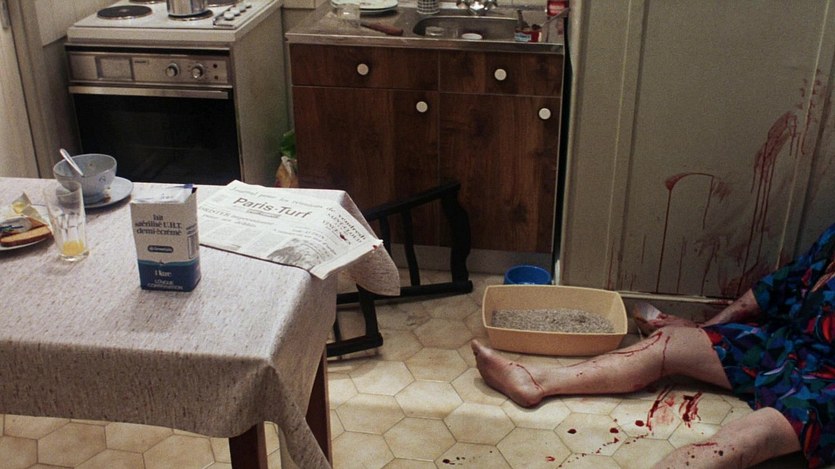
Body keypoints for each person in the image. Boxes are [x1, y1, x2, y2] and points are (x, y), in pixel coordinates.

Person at [472, 223, 835, 469]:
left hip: (827, 386)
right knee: (670, 342)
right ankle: (537, 381)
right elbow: (780, 284)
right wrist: (707, 332)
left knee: (747, 437)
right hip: (783, 345)